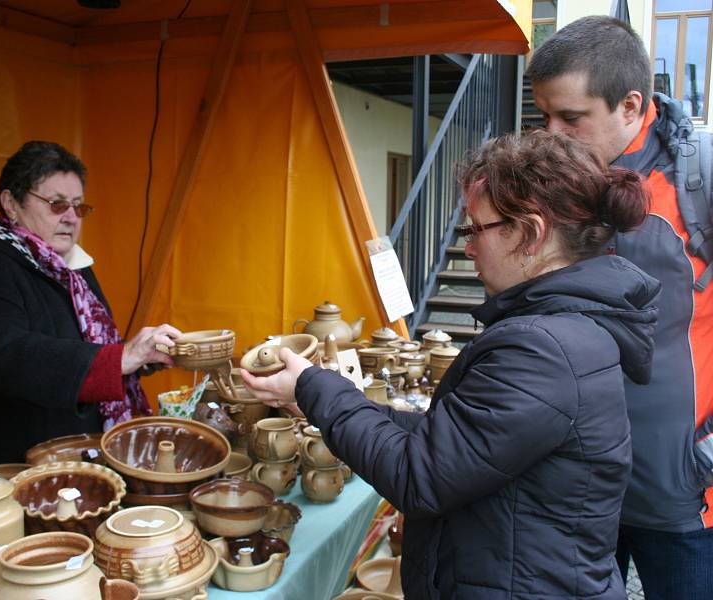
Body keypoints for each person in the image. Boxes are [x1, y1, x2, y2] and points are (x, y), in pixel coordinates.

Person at [243, 130, 659, 600]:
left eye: (473, 228)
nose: (467, 247)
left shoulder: (544, 348)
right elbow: (450, 444)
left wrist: (315, 388)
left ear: (529, 233)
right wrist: (314, 400)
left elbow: (419, 474)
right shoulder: (562, 329)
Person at [528, 16, 713, 598]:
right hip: (578, 491)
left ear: (631, 105)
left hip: (683, 496)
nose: (550, 134)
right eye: (544, 116)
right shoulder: (558, 183)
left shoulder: (696, 179)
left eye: (571, 118)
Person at [0, 140, 180, 480]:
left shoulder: (72, 266)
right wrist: (116, 359)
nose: (70, 217)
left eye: (78, 207)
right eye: (56, 203)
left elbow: (82, 345)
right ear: (11, 203)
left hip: (68, 465)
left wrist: (138, 360)